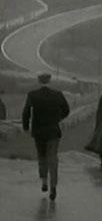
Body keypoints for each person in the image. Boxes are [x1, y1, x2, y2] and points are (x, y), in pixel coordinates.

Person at [22, 73, 70, 201]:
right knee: (52, 158)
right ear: (50, 81)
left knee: (42, 156)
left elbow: (26, 112)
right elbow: (66, 110)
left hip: (38, 131)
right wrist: (58, 119)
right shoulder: (57, 95)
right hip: (53, 131)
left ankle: (44, 180)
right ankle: (53, 186)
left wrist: (26, 128)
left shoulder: (33, 95)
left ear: (39, 81)